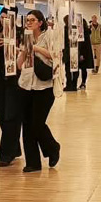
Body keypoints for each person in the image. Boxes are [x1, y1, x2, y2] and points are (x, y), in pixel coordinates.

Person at [17, 9, 62, 171]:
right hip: (26, 84)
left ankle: (52, 147)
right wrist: (24, 51)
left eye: (32, 20)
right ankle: (32, 162)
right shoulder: (25, 38)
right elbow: (19, 65)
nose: (29, 23)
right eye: (27, 20)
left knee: (37, 123)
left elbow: (55, 55)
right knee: (27, 124)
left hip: (44, 86)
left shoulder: (48, 36)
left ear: (40, 23)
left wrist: (35, 49)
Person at [0, 10, 24, 166]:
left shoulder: (21, 33)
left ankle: (5, 154)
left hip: (16, 79)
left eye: (6, 18)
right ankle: (14, 147)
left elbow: (25, 55)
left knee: (11, 116)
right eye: (1, 18)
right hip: (0, 78)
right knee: (1, 115)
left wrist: (12, 46)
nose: (3, 20)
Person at [77, 18, 95, 88]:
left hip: (82, 53)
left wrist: (81, 54)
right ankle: (83, 82)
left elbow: (83, 44)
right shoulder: (87, 31)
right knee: (83, 69)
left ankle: (83, 83)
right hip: (85, 53)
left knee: (82, 68)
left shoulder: (83, 32)